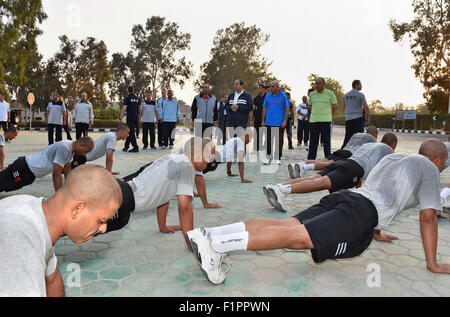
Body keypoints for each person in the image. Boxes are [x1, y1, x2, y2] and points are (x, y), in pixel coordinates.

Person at [187, 138, 450, 285]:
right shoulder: (428, 168)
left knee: (288, 226)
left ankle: (208, 233)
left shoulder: (395, 157)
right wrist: (432, 263)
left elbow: (380, 190)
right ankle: (218, 246)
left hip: (348, 198)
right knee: (297, 237)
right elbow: (428, 217)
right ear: (437, 159)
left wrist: (377, 230)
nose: (443, 167)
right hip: (360, 213)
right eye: (444, 163)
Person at [0, 164, 122, 296]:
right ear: (77, 209)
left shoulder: (37, 212)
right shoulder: (19, 234)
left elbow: (52, 279)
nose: (103, 229)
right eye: (101, 221)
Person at [94, 137, 215, 251]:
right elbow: (185, 208)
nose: (210, 161)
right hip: (122, 199)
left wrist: (163, 226)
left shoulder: (172, 158)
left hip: (124, 194)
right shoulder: (187, 167)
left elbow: (164, 195)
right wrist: (191, 243)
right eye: (209, 156)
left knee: (108, 225)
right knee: (89, 223)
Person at [264, 133, 397, 212]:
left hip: (344, 163)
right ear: (393, 144)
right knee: (319, 184)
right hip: (353, 169)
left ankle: (277, 186)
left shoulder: (370, 145)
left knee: (313, 179)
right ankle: (282, 190)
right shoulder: (388, 151)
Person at [0, 137, 94, 193]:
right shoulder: (65, 148)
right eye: (85, 151)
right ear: (81, 145)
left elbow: (67, 169)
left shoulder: (71, 151)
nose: (84, 154)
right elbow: (56, 173)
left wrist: (70, 187)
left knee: (7, 186)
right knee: (3, 182)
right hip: (24, 168)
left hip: (29, 175)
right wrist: (59, 195)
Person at [288, 126, 379, 179]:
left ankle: (298, 164)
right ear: (374, 133)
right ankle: (304, 167)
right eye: (377, 135)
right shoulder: (371, 139)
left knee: (322, 160)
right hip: (349, 154)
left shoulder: (357, 135)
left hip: (342, 150)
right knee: (329, 164)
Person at [307, 78, 337, 160]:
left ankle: (328, 159)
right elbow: (309, 106)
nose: (316, 85)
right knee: (313, 142)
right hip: (313, 121)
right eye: (315, 83)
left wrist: (330, 115)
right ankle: (310, 159)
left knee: (326, 142)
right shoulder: (312, 94)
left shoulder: (330, 93)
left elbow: (335, 106)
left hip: (326, 121)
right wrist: (316, 111)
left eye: (318, 83)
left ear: (324, 84)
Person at [262, 81, 290, 165]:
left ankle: (278, 158)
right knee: (269, 140)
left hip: (280, 123)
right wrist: (263, 121)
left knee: (279, 141)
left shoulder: (284, 95)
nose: (270, 88)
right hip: (269, 122)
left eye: (272, 86)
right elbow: (264, 108)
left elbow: (287, 108)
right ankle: (269, 158)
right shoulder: (267, 95)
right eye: (270, 86)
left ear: (277, 87)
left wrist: (285, 121)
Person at [342, 80, 370, 149]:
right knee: (359, 137)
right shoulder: (360, 95)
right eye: (360, 84)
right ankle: (357, 151)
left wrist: (347, 115)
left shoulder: (345, 96)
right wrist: (367, 117)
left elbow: (343, 108)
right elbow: (366, 107)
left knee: (348, 136)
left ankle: (344, 150)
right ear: (356, 85)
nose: (361, 86)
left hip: (348, 118)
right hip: (358, 118)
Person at [120, 86, 141, 153]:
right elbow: (140, 109)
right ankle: (126, 147)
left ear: (128, 91)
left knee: (131, 133)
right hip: (136, 118)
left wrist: (120, 118)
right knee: (129, 132)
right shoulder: (137, 99)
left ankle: (135, 147)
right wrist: (139, 118)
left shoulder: (127, 98)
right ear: (133, 91)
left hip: (130, 118)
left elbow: (124, 109)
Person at [251, 84, 267, 152]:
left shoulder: (267, 97)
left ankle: (266, 148)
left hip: (266, 118)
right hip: (257, 118)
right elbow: (253, 109)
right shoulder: (256, 98)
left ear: (263, 89)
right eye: (258, 88)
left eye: (260, 88)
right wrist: (252, 120)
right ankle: (256, 148)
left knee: (266, 134)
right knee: (256, 133)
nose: (258, 89)